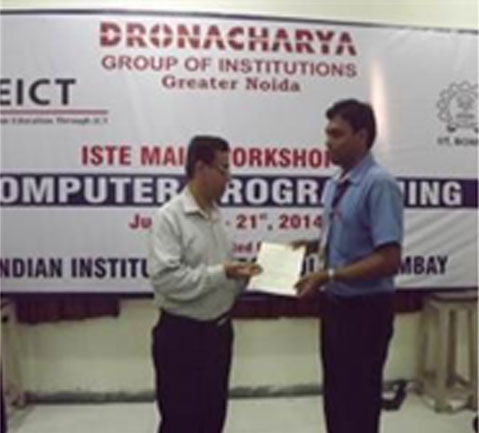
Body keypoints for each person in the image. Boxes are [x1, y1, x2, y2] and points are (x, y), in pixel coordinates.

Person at [295, 99, 404, 433]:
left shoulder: (378, 184)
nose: (327, 141)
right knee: (337, 397)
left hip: (366, 311)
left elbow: (389, 258)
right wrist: (307, 246)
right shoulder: (335, 183)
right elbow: (344, 237)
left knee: (359, 403)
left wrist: (330, 275)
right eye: (327, 133)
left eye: (337, 134)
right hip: (335, 307)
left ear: (362, 136)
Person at [147, 135, 261, 433]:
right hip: (182, 338)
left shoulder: (216, 215)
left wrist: (245, 276)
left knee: (212, 420)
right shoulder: (169, 218)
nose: (229, 177)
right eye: (224, 169)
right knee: (181, 423)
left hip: (218, 336)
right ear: (201, 168)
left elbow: (221, 277)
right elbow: (166, 280)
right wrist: (222, 272)